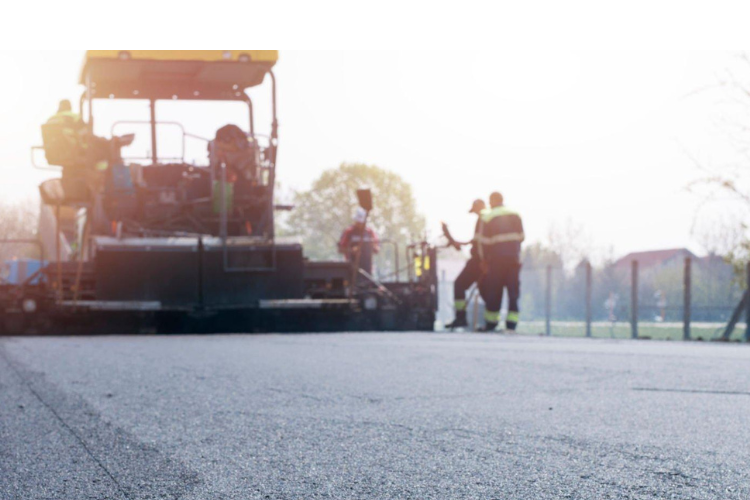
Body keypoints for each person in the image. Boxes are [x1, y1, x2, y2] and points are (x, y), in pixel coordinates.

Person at [477, 191, 524, 332]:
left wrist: (484, 260)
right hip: (513, 260)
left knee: (494, 292)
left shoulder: (487, 217)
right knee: (513, 292)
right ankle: (511, 324)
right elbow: (521, 237)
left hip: (496, 261)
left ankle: (491, 323)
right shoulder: (515, 214)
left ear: (491, 201)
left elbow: (483, 242)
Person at [445, 198, 486, 329]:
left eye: (475, 210)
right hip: (482, 260)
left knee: (459, 285)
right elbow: (475, 241)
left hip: (479, 261)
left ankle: (461, 317)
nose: (475, 213)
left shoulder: (483, 219)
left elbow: (480, 243)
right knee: (485, 290)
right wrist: (460, 243)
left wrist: (483, 260)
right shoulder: (484, 220)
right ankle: (489, 322)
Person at [338, 207, 380, 274]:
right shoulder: (349, 232)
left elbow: (377, 248)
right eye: (359, 222)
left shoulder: (370, 232)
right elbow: (340, 249)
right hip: (351, 269)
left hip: (367, 270)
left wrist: (373, 247)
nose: (361, 225)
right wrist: (352, 250)